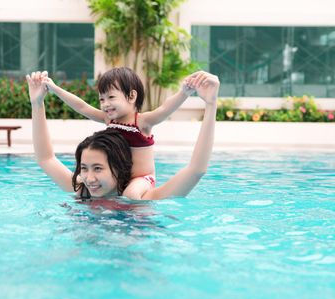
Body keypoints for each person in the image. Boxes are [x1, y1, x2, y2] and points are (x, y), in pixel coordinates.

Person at [27, 70, 219, 201]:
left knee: (131, 195)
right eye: (84, 168)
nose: (89, 178)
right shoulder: (83, 188)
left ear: (132, 96)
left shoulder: (142, 122)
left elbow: (166, 108)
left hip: (142, 178)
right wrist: (46, 95)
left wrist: (187, 94)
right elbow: (81, 107)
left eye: (98, 168)